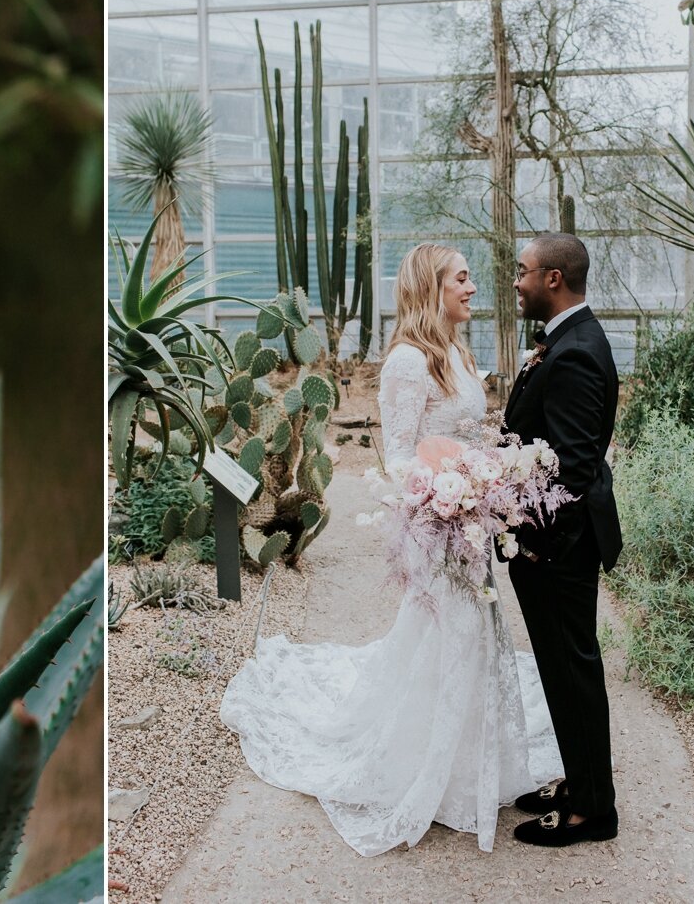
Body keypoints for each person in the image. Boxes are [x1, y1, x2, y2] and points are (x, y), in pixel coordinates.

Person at [220, 243, 561, 857]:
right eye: (461, 279)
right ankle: (426, 767)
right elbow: (402, 454)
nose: (472, 288)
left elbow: (463, 435)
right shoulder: (407, 361)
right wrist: (446, 494)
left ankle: (467, 759)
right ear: (431, 287)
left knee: (475, 632)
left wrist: (484, 480)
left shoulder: (455, 352)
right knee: (449, 634)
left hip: (471, 519)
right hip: (440, 521)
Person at [501, 232, 621, 847]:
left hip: (561, 550)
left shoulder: (573, 352)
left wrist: (541, 544)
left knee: (572, 670)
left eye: (523, 271)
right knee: (563, 668)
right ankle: (582, 781)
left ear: (553, 279)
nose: (515, 281)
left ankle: (592, 813)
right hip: (557, 545)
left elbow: (573, 468)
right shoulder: (568, 339)